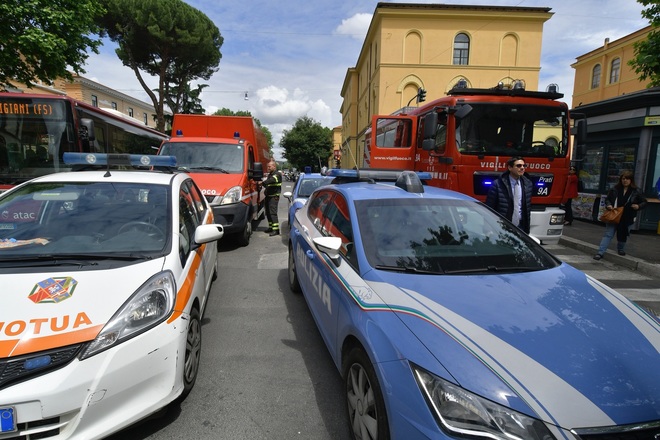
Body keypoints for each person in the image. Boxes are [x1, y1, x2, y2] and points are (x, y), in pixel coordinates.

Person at [593, 170, 647, 260]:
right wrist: (609, 205)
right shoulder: (615, 189)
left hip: (628, 216)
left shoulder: (636, 191)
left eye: (627, 179)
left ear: (631, 180)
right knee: (608, 234)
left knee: (623, 233)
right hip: (614, 214)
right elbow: (608, 199)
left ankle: (620, 248)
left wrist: (638, 206)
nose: (625, 181)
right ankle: (600, 252)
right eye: (623, 179)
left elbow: (644, 202)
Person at [485, 156, 533, 233]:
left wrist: (526, 229)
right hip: (501, 227)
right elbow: (489, 208)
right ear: (510, 168)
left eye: (524, 166)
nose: (522, 168)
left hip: (520, 227)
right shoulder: (498, 184)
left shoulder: (528, 184)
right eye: (518, 166)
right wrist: (488, 228)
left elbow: (526, 209)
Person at [263, 160, 283, 236]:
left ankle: (276, 230)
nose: (268, 167)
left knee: (272, 213)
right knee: (268, 213)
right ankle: (271, 227)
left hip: (274, 197)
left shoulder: (277, 174)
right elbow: (269, 183)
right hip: (268, 196)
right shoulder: (270, 174)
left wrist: (263, 183)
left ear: (274, 166)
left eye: (269, 166)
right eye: (268, 166)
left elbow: (273, 180)